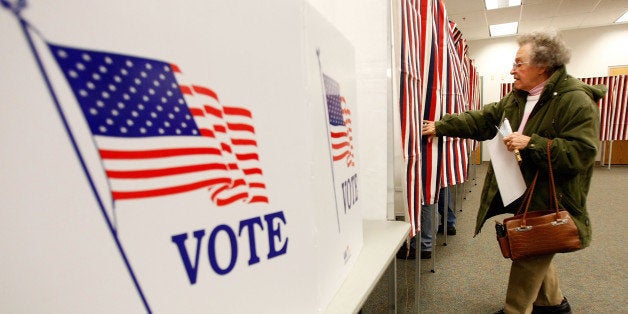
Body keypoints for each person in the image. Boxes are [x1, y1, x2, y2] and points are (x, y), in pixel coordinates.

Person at [422, 30, 604, 314]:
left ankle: (515, 309)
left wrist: (534, 144)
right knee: (538, 243)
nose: (512, 69)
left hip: (552, 194)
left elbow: (582, 154)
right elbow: (484, 119)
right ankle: (554, 304)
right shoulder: (519, 97)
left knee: (529, 251)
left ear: (543, 65)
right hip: (523, 188)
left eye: (519, 63)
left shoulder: (575, 101)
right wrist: (442, 125)